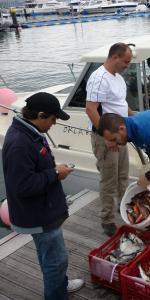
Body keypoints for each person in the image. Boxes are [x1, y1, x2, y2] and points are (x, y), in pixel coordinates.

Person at [2, 92, 84, 299]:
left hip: (44, 209)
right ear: (40, 115)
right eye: (53, 118)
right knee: (55, 262)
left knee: (52, 258)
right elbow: (23, 186)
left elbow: (32, 170)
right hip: (39, 215)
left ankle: (61, 285)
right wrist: (55, 173)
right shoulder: (19, 143)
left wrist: (51, 169)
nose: (54, 123)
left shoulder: (30, 133)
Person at [86, 42, 135, 236]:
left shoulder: (118, 78)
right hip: (105, 139)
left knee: (123, 176)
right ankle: (107, 221)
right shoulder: (99, 78)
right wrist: (105, 137)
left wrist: (136, 118)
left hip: (120, 136)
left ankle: (122, 209)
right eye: (126, 61)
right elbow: (90, 109)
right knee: (109, 180)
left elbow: (121, 105)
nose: (127, 65)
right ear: (115, 57)